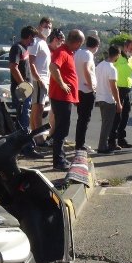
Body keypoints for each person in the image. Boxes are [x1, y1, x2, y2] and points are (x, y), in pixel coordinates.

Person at [48, 29, 84, 171]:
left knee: (62, 128)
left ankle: (60, 158)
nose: (80, 47)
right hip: (61, 97)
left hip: (63, 97)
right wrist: (62, 84)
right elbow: (53, 66)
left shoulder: (68, 53)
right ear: (77, 42)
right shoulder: (62, 52)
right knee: (61, 130)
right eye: (80, 44)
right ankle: (59, 161)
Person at [9, 26, 44, 159]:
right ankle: (26, 149)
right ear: (29, 37)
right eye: (33, 38)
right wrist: (23, 84)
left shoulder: (25, 49)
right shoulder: (17, 48)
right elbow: (13, 67)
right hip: (21, 89)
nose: (33, 41)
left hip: (25, 88)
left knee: (24, 117)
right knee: (23, 119)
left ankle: (25, 147)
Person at [109, 39, 132, 149]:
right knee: (117, 116)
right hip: (118, 88)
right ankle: (112, 140)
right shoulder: (118, 57)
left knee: (125, 115)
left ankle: (121, 139)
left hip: (128, 89)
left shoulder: (131, 59)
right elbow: (110, 66)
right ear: (125, 47)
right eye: (131, 48)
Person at [94, 45, 123, 154]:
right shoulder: (112, 68)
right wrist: (119, 103)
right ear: (118, 55)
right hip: (108, 99)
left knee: (105, 123)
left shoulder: (100, 65)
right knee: (107, 125)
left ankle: (104, 145)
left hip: (100, 97)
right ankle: (102, 147)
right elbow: (113, 87)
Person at [73, 34, 99, 152]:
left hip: (78, 89)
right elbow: (86, 69)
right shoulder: (89, 54)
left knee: (81, 118)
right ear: (97, 46)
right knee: (85, 119)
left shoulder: (78, 53)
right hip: (87, 91)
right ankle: (80, 144)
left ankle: (79, 142)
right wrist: (91, 85)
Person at [29, 17, 53, 132]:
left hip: (44, 79)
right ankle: (38, 138)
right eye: (45, 27)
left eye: (49, 27)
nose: (47, 29)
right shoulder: (36, 42)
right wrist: (39, 79)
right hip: (39, 80)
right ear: (39, 27)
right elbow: (31, 62)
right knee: (38, 109)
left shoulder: (44, 43)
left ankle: (34, 135)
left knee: (37, 108)